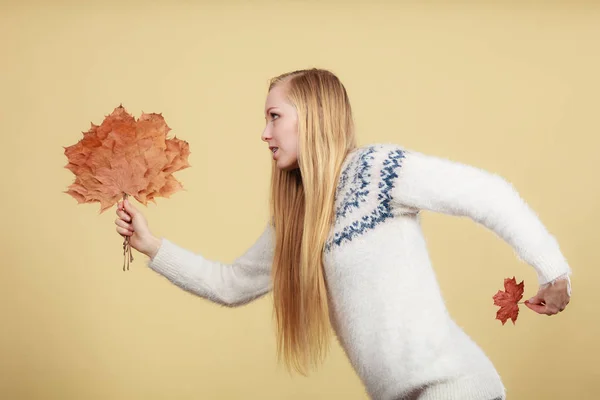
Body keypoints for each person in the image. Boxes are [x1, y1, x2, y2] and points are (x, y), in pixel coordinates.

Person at [114, 68, 572, 400]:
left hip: (455, 388)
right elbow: (231, 285)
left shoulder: (377, 170)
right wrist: (152, 246)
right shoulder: (299, 218)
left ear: (310, 115)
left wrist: (552, 270)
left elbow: (486, 192)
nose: (263, 132)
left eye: (274, 116)